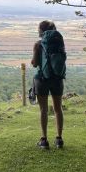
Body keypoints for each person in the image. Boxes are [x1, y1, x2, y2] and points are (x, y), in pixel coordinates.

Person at [31, 20, 65, 149]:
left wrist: (35, 60)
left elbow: (35, 64)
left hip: (42, 79)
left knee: (43, 110)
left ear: (41, 31)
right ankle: (59, 139)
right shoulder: (59, 43)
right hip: (57, 78)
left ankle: (44, 140)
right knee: (58, 109)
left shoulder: (38, 44)